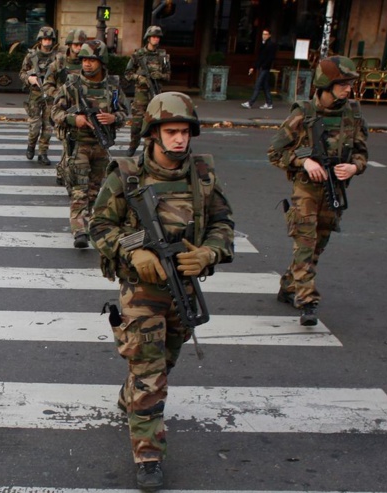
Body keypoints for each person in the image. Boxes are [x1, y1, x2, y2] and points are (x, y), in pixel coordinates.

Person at [89, 92, 234, 489]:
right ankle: (149, 455)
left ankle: (131, 394)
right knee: (150, 373)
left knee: (164, 362)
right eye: (171, 131)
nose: (179, 140)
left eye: (185, 132)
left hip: (183, 289)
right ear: (154, 133)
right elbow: (99, 227)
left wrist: (209, 252)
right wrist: (134, 251)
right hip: (141, 293)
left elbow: (223, 224)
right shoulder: (127, 174)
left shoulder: (202, 174)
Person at [267, 56, 368, 326]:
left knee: (317, 247)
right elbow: (275, 152)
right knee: (305, 242)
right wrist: (304, 161)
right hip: (306, 190)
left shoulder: (353, 114)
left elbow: (361, 152)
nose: (348, 89)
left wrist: (354, 168)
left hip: (334, 190)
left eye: (350, 84)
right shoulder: (303, 113)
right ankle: (307, 300)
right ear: (326, 84)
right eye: (343, 84)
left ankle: (289, 286)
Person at [51, 39, 127, 249]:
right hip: (79, 145)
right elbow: (55, 112)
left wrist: (114, 118)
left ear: (101, 62)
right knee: (79, 189)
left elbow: (123, 111)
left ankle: (90, 223)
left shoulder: (112, 87)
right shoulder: (72, 85)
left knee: (95, 190)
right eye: (84, 59)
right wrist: (72, 119)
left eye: (92, 60)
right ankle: (79, 231)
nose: (86, 64)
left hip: (101, 146)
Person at [43, 28, 86, 189]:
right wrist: (59, 96)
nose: (79, 47)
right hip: (63, 110)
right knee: (67, 144)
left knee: (73, 145)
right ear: (69, 45)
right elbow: (47, 84)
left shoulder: (86, 63)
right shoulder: (59, 63)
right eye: (76, 44)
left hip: (81, 110)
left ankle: (64, 171)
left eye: (81, 44)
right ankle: (64, 173)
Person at [123, 25, 170, 157]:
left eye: (158, 37)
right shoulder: (138, 55)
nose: (156, 39)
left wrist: (159, 76)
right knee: (137, 124)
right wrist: (139, 78)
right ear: (148, 38)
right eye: (153, 37)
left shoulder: (163, 56)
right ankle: (133, 146)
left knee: (153, 124)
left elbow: (168, 76)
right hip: (141, 96)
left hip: (156, 94)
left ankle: (148, 151)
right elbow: (127, 73)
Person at [19, 26, 59, 166]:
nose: (47, 42)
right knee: (35, 125)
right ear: (40, 40)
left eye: (49, 39)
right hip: (35, 94)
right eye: (44, 39)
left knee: (48, 127)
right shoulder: (32, 56)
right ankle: (31, 145)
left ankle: (43, 153)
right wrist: (29, 79)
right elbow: (22, 73)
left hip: (50, 96)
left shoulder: (57, 57)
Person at [242, 29, 277, 110]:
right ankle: (269, 103)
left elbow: (270, 58)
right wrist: (253, 67)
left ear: (269, 35)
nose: (264, 36)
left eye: (266, 34)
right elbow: (259, 58)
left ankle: (250, 103)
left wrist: (264, 65)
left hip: (265, 68)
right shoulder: (263, 44)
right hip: (262, 68)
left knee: (258, 85)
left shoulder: (271, 45)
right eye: (263, 34)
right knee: (265, 86)